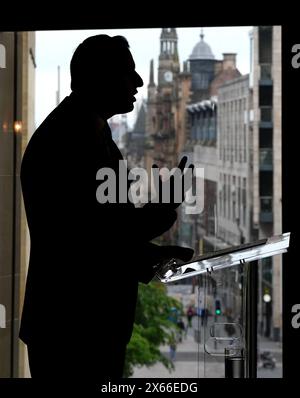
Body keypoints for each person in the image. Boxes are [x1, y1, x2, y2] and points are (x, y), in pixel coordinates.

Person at [19, 35, 194, 380]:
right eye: (129, 73)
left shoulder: (86, 131)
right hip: (75, 330)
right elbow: (97, 233)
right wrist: (163, 207)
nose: (139, 83)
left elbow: (94, 238)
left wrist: (151, 255)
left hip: (77, 327)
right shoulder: (72, 139)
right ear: (101, 77)